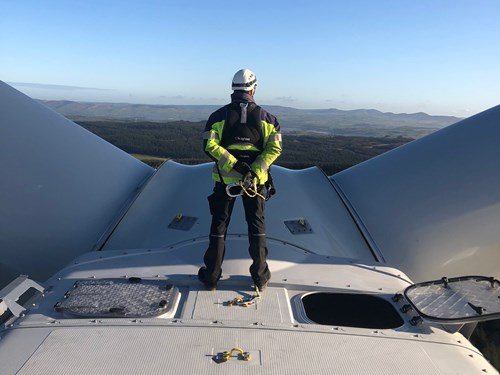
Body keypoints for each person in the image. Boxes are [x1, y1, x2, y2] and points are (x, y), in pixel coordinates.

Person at [198, 69, 282, 291]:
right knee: (257, 228)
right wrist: (253, 171)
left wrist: (234, 164)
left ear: (233, 89)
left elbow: (209, 146)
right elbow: (275, 148)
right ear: (253, 88)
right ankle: (260, 276)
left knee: (219, 227)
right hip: (255, 184)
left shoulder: (218, 117)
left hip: (226, 184)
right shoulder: (268, 119)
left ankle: (211, 277)